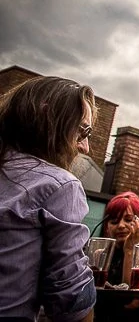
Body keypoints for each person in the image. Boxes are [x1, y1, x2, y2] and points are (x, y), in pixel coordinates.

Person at [0, 76, 97, 322]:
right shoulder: (58, 185)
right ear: (48, 119)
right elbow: (71, 303)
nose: (85, 147)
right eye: (83, 130)